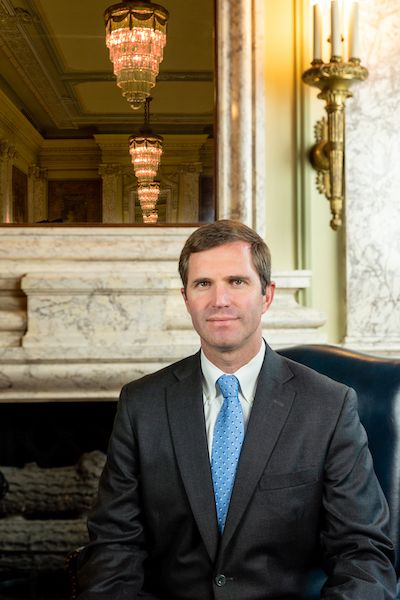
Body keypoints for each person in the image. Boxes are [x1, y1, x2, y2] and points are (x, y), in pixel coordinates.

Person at [77, 219, 396, 599]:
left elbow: (363, 555)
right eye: (203, 284)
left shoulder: (328, 406)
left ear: (267, 295)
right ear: (186, 299)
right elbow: (114, 546)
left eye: (237, 282)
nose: (219, 300)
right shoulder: (141, 404)